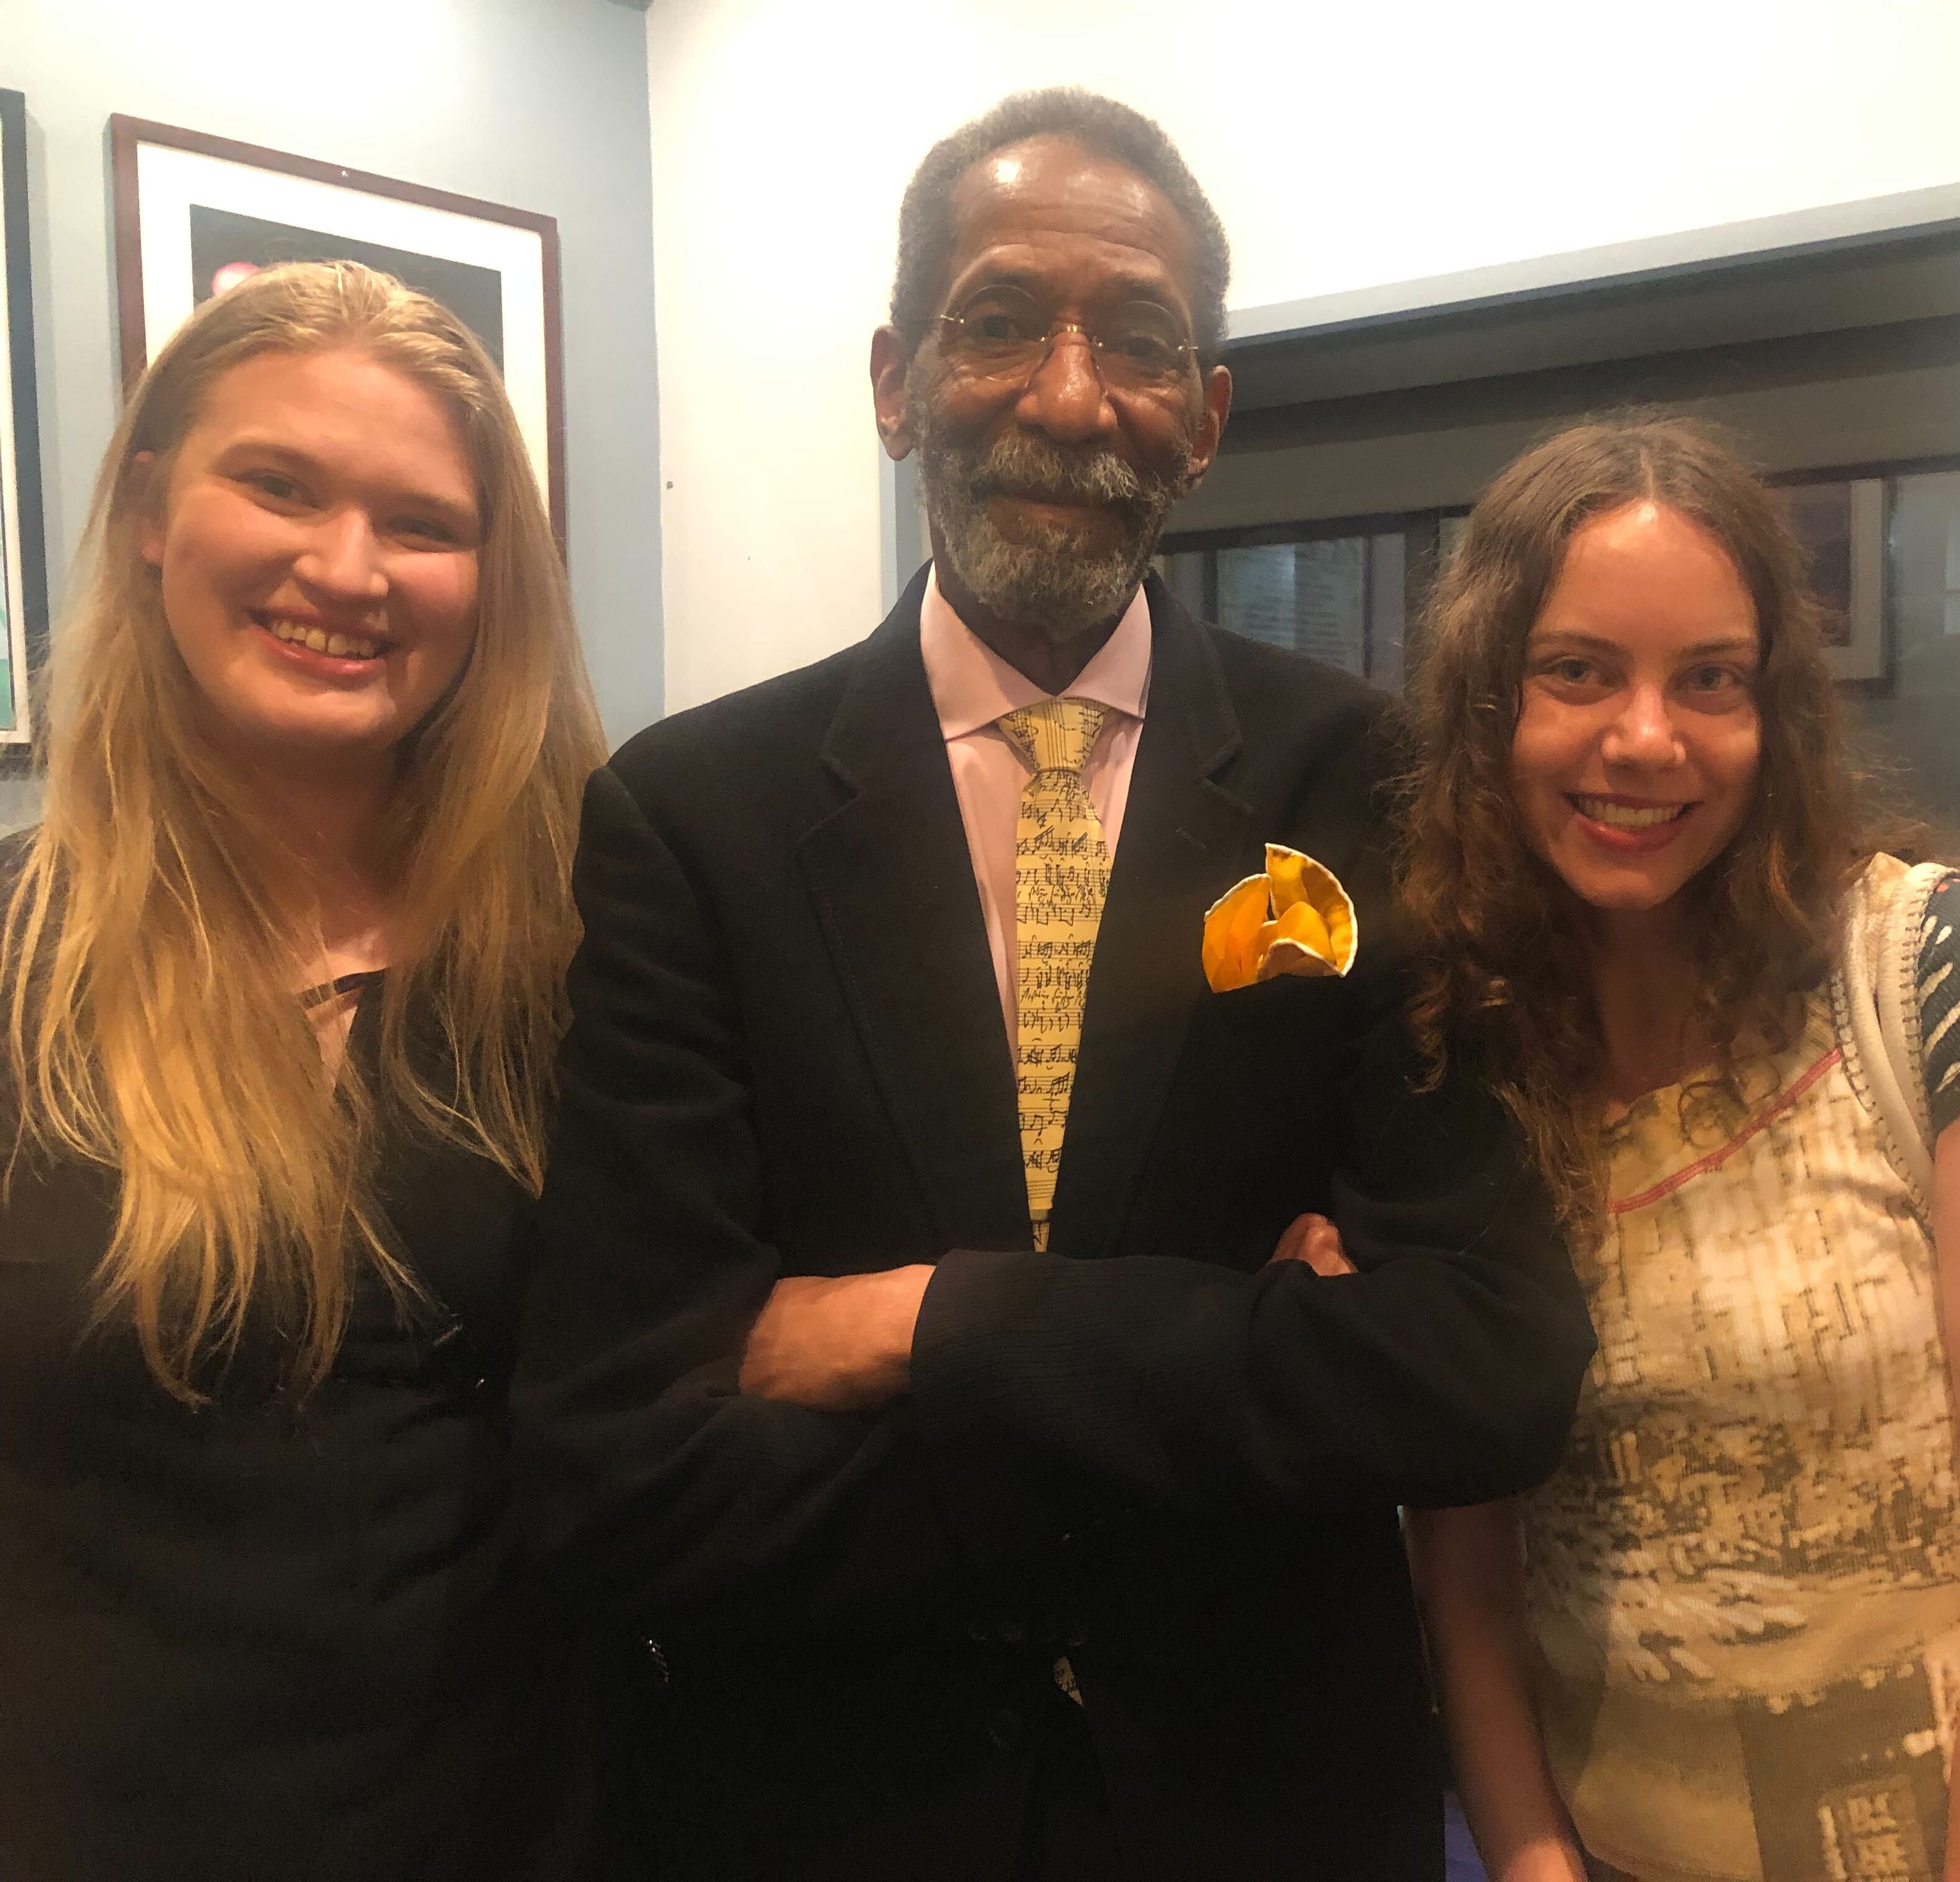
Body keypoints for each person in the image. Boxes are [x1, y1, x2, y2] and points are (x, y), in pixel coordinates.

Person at [510, 87, 1593, 1882]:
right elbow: (616, 1466)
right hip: (834, 1819)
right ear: (894, 379)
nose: (1071, 393)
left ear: (1209, 420)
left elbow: (1490, 1369)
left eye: (1142, 344)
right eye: (1002, 319)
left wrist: (936, 1327)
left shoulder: (1365, 784)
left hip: (1272, 1815)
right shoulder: (690, 819)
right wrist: (1233, 1393)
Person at [1389, 415, 1960, 1882]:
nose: (1648, 738)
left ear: (1776, 710)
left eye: (1711, 680)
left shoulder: (1941, 973)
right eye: (1578, 671)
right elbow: (1469, 1575)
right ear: (1492, 704)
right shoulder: (1458, 1056)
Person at [0, 263, 615, 1880]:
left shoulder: (584, 949)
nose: (348, 570)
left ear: (493, 582)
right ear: (149, 508)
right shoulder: (15, 962)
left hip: (534, 1818)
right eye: (277, 485)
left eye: (422, 523)